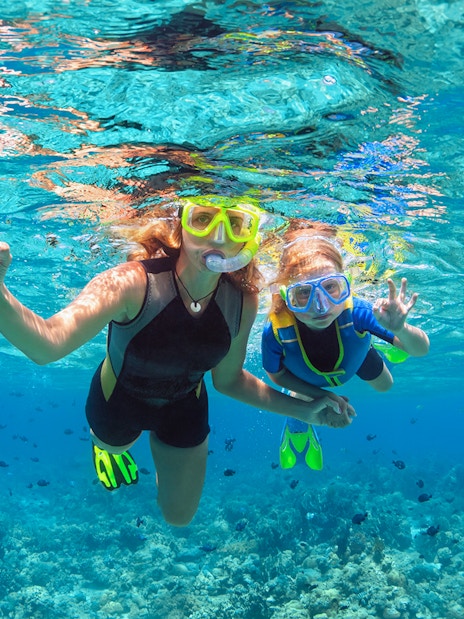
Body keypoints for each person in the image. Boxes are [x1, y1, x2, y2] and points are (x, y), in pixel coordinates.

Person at [0, 197, 346, 527]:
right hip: (117, 401)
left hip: (185, 407)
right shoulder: (131, 282)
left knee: (178, 517)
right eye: (203, 219)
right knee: (113, 445)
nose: (219, 236)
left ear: (249, 240)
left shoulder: (243, 301)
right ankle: (104, 448)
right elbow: (47, 344)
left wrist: (304, 411)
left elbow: (229, 381)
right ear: (180, 227)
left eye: (236, 224)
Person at [261, 224, 430, 471]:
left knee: (386, 386)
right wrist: (323, 396)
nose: (320, 307)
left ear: (347, 285)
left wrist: (400, 329)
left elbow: (421, 350)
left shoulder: (359, 312)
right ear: (287, 297)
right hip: (305, 378)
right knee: (302, 400)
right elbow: (275, 375)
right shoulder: (276, 330)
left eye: (331, 287)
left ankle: (386, 341)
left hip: (355, 355)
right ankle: (297, 427)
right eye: (303, 293)